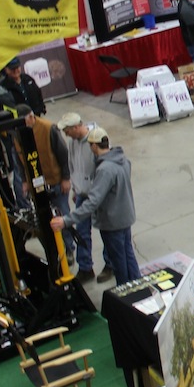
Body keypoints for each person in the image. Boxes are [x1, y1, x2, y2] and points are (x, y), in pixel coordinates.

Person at [50, 127, 141, 284]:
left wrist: (66, 221)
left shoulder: (105, 170)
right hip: (125, 218)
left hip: (112, 223)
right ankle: (138, 287)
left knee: (119, 262)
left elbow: (92, 202)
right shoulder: (123, 160)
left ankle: (125, 291)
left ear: (93, 146)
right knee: (128, 255)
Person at [59, 112, 113, 283]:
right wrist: (76, 189)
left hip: (98, 195)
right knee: (81, 232)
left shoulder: (95, 140)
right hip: (82, 195)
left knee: (106, 230)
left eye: (67, 130)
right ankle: (85, 268)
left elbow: (105, 168)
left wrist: (98, 191)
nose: (66, 134)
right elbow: (73, 166)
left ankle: (110, 264)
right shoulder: (72, 142)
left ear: (76, 127)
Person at [17, 103, 71, 236]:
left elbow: (63, 155)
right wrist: (24, 181)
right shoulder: (17, 133)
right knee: (45, 222)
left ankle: (69, 245)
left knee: (62, 219)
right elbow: (19, 159)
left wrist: (66, 178)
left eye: (23, 122)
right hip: (36, 186)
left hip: (55, 183)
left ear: (31, 117)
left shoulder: (48, 128)